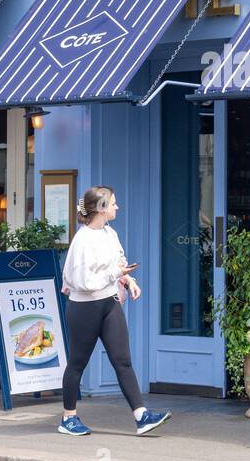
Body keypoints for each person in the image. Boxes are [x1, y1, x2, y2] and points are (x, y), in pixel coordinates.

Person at [58, 186, 170, 437]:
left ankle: (141, 416)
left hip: (108, 303)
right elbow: (83, 281)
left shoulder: (110, 233)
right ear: (101, 208)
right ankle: (68, 418)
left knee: (123, 360)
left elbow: (119, 262)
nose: (117, 207)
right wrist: (116, 274)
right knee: (77, 362)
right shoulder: (82, 240)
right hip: (84, 307)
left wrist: (129, 281)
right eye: (113, 204)